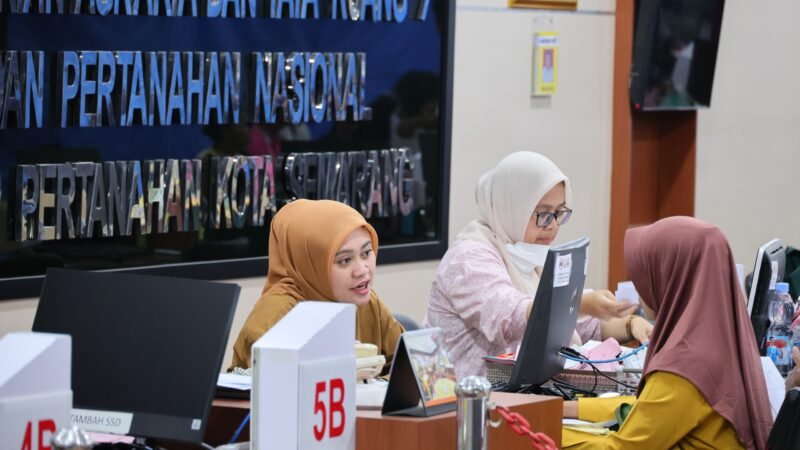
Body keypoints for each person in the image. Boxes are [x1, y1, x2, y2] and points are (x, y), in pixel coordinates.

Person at [424, 152, 653, 378]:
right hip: (470, 402)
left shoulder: (527, 253)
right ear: (511, 207)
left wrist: (631, 324)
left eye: (559, 212)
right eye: (543, 214)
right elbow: (509, 319)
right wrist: (580, 303)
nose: (553, 225)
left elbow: (578, 326)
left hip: (523, 395)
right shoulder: (468, 259)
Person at [563, 216, 773, 449]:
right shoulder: (723, 340)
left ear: (671, 278)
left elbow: (621, 448)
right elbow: (648, 407)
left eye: (644, 276)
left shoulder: (685, 364)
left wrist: (541, 426)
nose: (639, 288)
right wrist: (566, 408)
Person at [231, 199, 405, 369]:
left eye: (366, 253)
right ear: (310, 263)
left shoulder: (366, 302)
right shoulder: (277, 315)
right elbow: (266, 390)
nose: (362, 270)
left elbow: (410, 368)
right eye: (345, 260)